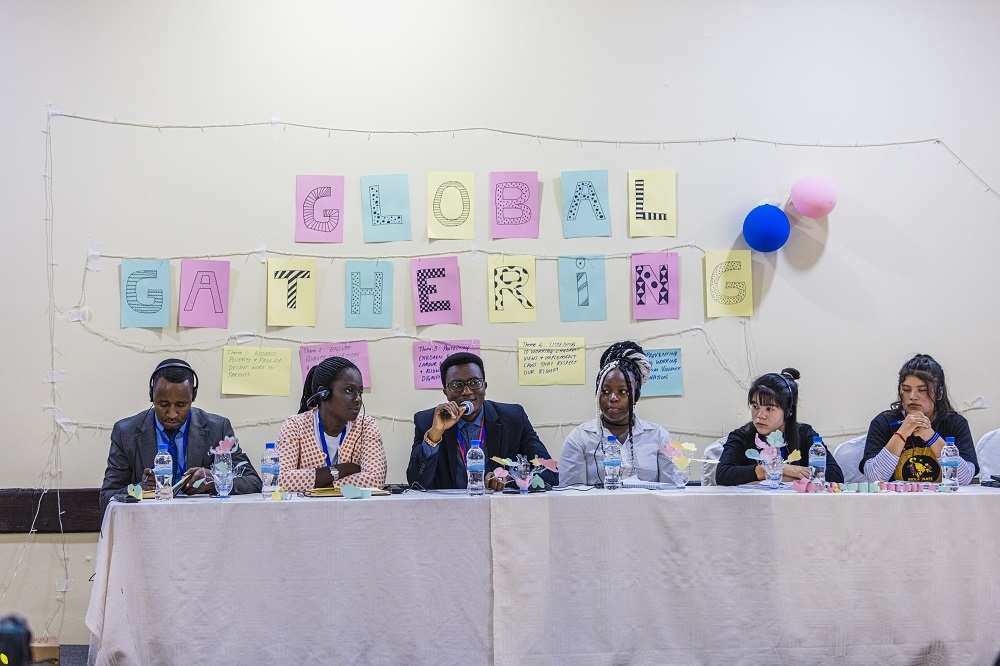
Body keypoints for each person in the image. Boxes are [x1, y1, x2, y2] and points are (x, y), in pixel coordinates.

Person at [99, 358, 261, 511]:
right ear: (152, 396)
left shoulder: (217, 429)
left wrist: (216, 480)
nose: (171, 414)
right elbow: (107, 496)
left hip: (203, 525)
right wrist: (140, 489)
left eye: (181, 405)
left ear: (193, 397)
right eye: (163, 404)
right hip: (147, 527)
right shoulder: (126, 432)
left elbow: (253, 481)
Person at [407, 352, 558, 489]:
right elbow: (416, 482)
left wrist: (510, 479)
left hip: (502, 510)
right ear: (445, 392)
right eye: (456, 385)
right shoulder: (428, 421)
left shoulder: (513, 418)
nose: (466, 392)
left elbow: (549, 472)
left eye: (474, 383)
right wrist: (435, 434)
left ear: (484, 386)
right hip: (448, 511)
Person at [559, 341, 683, 486]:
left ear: (635, 396)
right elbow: (570, 498)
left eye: (622, 392)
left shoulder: (659, 436)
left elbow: (674, 491)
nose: (613, 398)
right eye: (605, 391)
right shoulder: (579, 439)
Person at [861, 354, 978, 484]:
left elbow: (964, 479)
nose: (912, 396)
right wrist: (902, 433)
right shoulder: (884, 422)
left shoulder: (955, 423)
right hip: (897, 502)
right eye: (906, 389)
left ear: (939, 393)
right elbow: (874, 478)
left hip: (943, 502)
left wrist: (931, 436)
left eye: (922, 390)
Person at [276, 356, 387, 492]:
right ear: (324, 394)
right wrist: (344, 469)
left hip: (354, 511)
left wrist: (318, 483)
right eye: (349, 390)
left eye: (360, 392)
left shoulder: (367, 425)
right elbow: (280, 480)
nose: (358, 399)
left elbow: (375, 480)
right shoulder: (295, 425)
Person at [717, 368, 844, 486]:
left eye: (769, 409)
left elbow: (835, 476)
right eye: (755, 407)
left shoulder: (805, 434)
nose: (759, 416)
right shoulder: (741, 436)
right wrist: (774, 469)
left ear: (788, 411)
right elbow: (723, 474)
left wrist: (773, 476)